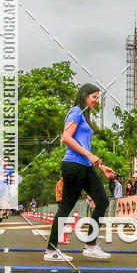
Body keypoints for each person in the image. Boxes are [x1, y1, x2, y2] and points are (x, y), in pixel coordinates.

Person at [45, 83, 115, 262]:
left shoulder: (84, 115)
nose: (96, 101)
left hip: (84, 165)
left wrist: (101, 166)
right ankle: (51, 251)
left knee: (102, 201)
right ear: (84, 95)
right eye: (94, 97)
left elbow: (84, 146)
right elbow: (66, 137)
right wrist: (90, 156)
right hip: (73, 165)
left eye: (97, 98)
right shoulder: (75, 111)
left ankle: (90, 246)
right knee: (66, 206)